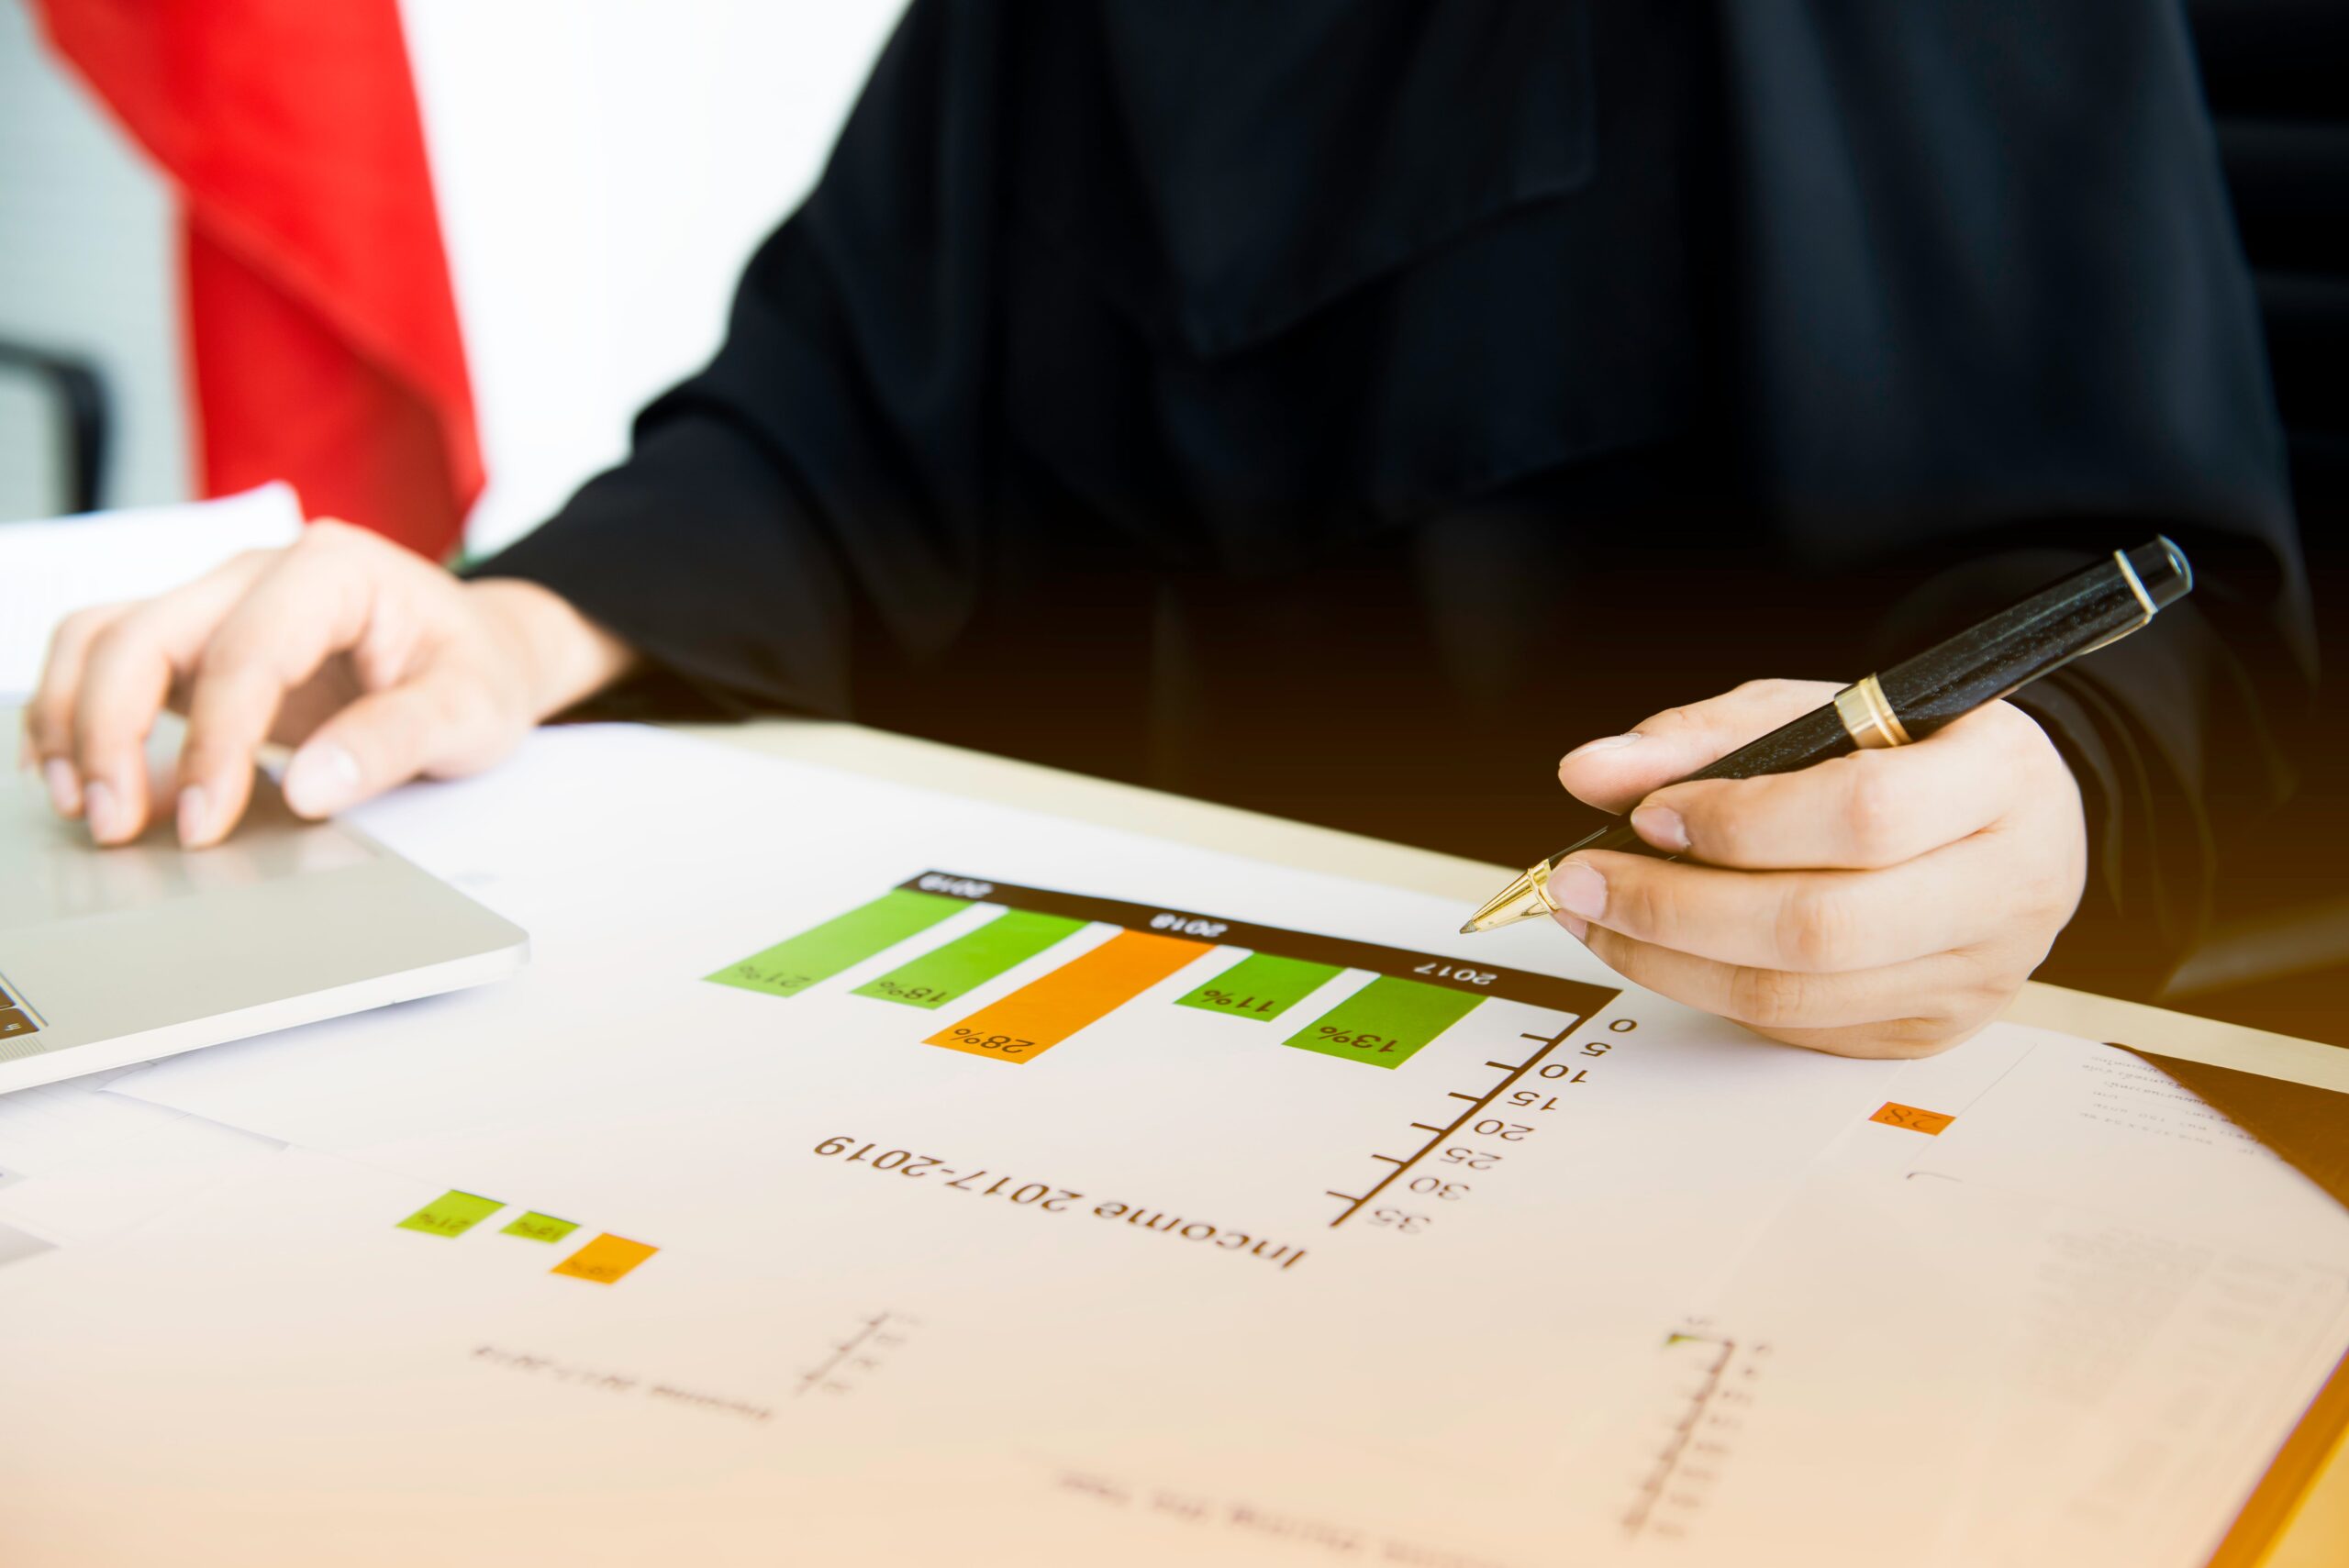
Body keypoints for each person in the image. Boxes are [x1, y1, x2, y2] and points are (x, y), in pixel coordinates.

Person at [18, 3, 2310, 1061]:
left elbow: (2125, 609)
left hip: (1675, 1087)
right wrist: (509, 622)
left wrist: (2038, 805)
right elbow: (841, 445)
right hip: (1111, 1077)